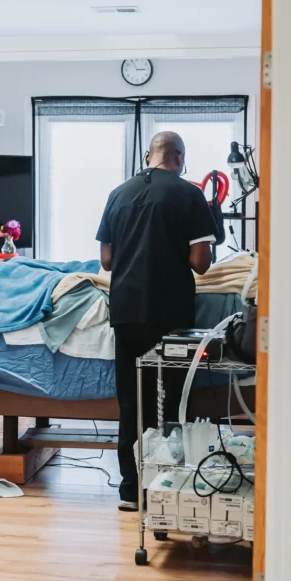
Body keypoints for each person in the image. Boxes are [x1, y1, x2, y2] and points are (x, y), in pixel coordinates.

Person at [96, 131, 218, 510]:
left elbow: (106, 261)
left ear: (148, 155)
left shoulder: (118, 194)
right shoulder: (189, 195)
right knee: (170, 400)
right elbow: (200, 262)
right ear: (179, 158)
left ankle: (130, 490)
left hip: (127, 312)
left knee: (131, 401)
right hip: (171, 314)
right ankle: (165, 486)